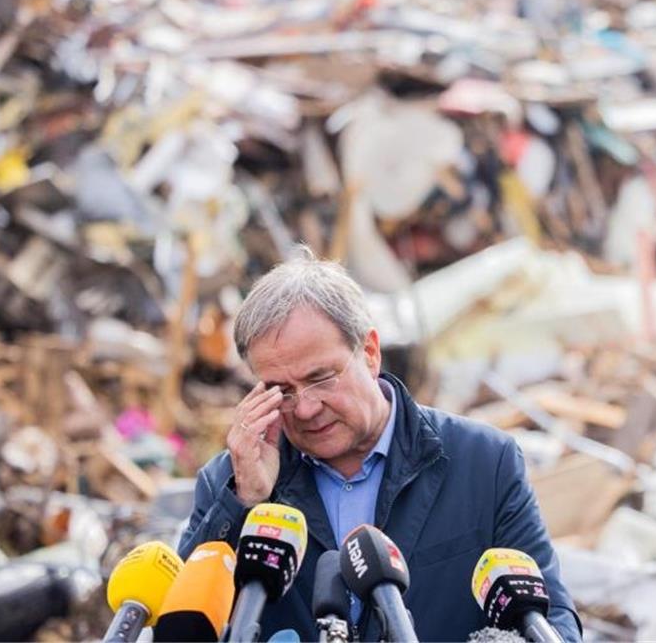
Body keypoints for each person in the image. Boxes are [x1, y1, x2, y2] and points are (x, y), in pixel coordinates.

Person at [178, 247, 582, 642]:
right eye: (280, 390)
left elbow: (554, 621)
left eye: (320, 378)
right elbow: (182, 627)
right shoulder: (230, 482)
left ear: (370, 352)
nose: (304, 408)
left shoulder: (483, 462)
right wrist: (245, 502)